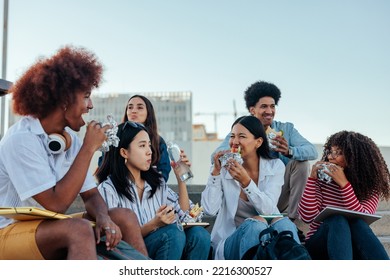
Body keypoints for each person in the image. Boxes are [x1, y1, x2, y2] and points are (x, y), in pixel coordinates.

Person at [0, 46, 148, 260]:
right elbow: (56, 204)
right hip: (7, 232)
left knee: (123, 217)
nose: (90, 105)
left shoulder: (71, 138)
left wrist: (104, 218)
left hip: (45, 228)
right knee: (78, 230)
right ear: (64, 100)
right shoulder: (21, 139)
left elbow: (91, 195)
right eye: (86, 96)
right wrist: (89, 148)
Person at [213, 81, 318, 234]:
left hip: (280, 192)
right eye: (264, 106)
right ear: (252, 110)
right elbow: (216, 155)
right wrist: (246, 147)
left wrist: (288, 150)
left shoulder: (285, 129)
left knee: (301, 164)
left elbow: (312, 151)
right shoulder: (242, 130)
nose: (269, 111)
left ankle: (296, 223)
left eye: (272, 106)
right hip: (250, 192)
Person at [95, 121, 210, 260]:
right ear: (124, 152)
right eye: (142, 146)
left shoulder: (157, 183)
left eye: (149, 145)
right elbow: (114, 240)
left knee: (199, 235)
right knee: (171, 233)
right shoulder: (108, 189)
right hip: (130, 255)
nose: (149, 151)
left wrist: (181, 180)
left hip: (167, 248)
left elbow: (186, 215)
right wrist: (154, 224)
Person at [202, 115, 300, 260]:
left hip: (267, 239)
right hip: (231, 241)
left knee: (285, 224)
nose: (235, 142)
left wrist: (246, 182)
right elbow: (210, 209)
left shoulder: (275, 166)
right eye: (232, 136)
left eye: (241, 136)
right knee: (255, 226)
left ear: (258, 142)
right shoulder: (224, 167)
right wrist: (215, 173)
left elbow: (268, 210)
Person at [298, 131, 390, 260]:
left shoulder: (370, 187)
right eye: (330, 152)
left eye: (339, 153)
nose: (331, 157)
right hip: (320, 245)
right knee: (337, 220)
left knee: (358, 223)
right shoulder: (321, 181)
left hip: (352, 246)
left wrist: (344, 185)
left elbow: (364, 218)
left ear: (356, 158)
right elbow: (307, 217)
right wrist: (312, 179)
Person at [98, 95, 171, 182]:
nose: (133, 111)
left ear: (148, 114)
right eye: (130, 107)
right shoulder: (114, 137)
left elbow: (163, 174)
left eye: (139, 107)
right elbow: (103, 167)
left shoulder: (158, 141)